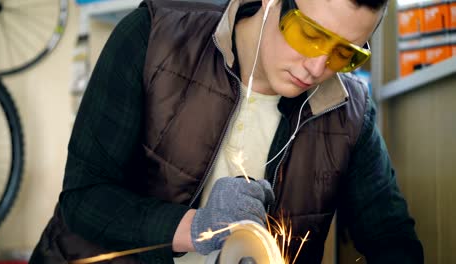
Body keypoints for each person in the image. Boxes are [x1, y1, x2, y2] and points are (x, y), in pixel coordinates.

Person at [30, 0, 424, 263]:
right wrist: (194, 227)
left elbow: (391, 238)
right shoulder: (154, 36)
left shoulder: (350, 112)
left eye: (345, 53)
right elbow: (83, 198)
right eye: (309, 33)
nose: (317, 68)